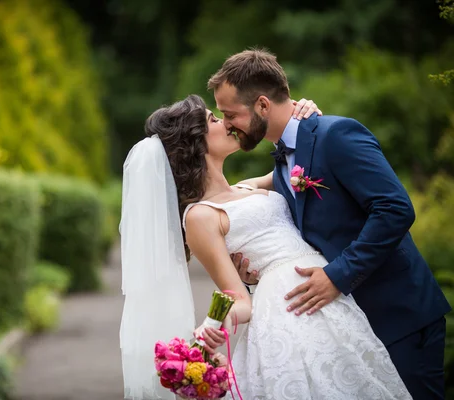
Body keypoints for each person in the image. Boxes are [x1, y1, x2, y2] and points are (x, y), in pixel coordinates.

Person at [119, 94, 412, 399]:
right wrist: (220, 320)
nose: (227, 122)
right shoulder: (200, 216)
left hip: (327, 287)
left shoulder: (250, 185)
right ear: (195, 144)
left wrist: (303, 117)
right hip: (286, 306)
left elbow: (304, 158)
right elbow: (238, 296)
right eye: (214, 120)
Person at [202, 48, 451, 399]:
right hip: (348, 327)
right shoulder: (283, 163)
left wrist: (338, 276)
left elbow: (395, 208)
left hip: (398, 315)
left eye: (230, 114)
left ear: (261, 105)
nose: (226, 124)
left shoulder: (336, 135)